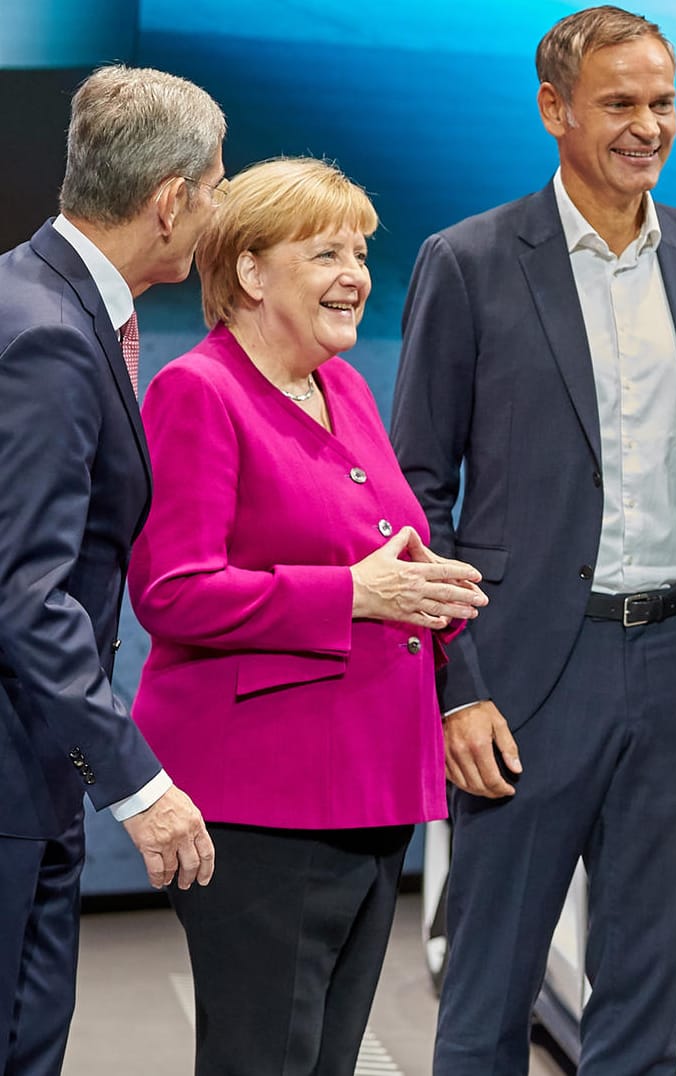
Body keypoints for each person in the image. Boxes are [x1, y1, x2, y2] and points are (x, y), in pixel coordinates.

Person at [390, 7, 676, 1073]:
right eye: (620, 103)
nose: (648, 125)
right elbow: (414, 493)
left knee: (644, 1004)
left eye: (662, 102)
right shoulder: (467, 260)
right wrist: (456, 687)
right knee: (487, 998)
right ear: (555, 109)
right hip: (522, 675)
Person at [127, 157, 487, 1074]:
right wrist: (354, 594)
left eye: (362, 251)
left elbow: (387, 551)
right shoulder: (199, 392)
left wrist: (429, 590)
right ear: (249, 272)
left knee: (326, 1062)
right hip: (264, 802)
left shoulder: (348, 389)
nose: (356, 274)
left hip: (369, 794)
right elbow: (171, 590)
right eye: (327, 251)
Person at [0, 65, 223, 1076]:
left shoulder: (39, 297)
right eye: (216, 187)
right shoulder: (46, 334)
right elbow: (28, 598)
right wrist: (132, 784)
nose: (219, 210)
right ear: (171, 199)